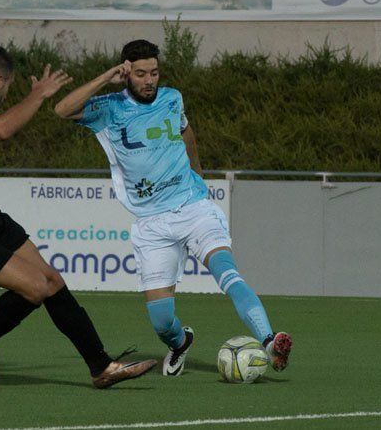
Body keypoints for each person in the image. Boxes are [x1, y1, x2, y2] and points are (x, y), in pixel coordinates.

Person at [0, 44, 156, 389]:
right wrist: (37, 96)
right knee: (35, 288)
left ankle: (100, 366)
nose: (7, 94)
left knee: (51, 281)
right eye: (8, 87)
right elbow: (3, 129)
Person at [54, 40, 293, 377]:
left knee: (227, 272)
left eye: (153, 72)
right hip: (151, 223)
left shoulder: (172, 97)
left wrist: (197, 173)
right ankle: (180, 342)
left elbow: (186, 132)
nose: (149, 79)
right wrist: (106, 77)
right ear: (126, 73)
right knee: (162, 320)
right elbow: (61, 110)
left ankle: (269, 341)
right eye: (140, 73)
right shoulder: (108, 108)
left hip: (193, 206)